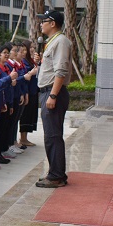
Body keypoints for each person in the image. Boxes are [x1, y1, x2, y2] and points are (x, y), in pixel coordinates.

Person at [36, 10, 72, 188]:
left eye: (44, 21)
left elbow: (61, 71)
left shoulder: (61, 41)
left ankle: (56, 176)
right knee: (51, 135)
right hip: (48, 91)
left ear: (53, 23)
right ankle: (56, 172)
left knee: (53, 136)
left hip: (52, 92)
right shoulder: (52, 42)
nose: (41, 24)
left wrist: (53, 95)